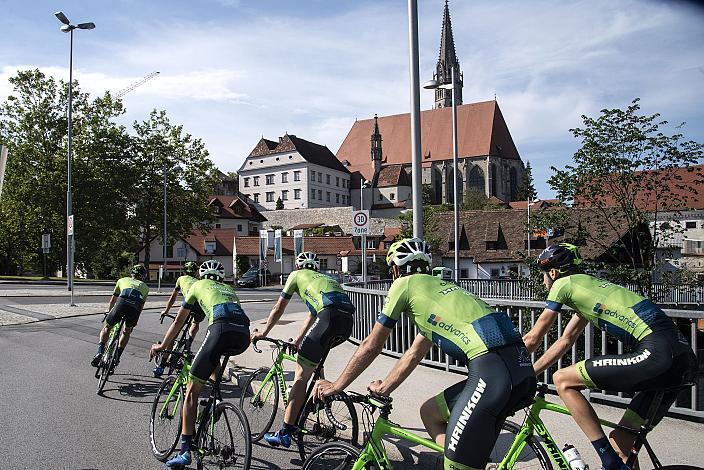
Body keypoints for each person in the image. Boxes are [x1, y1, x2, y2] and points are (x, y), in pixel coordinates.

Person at [315, 238, 536, 470]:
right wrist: (384, 389)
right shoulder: (437, 294)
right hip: (518, 370)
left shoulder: (403, 285)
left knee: (457, 464)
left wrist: (336, 386)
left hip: (492, 374)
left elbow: (371, 345)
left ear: (395, 269)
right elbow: (414, 353)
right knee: (430, 413)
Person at [522, 243, 697, 470]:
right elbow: (565, 341)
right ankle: (615, 460)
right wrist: (530, 374)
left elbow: (533, 339)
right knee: (622, 442)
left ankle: (607, 459)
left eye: (543, 275)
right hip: (682, 360)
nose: (544, 281)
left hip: (657, 354)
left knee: (562, 380)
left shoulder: (563, 283)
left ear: (553, 272)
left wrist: (511, 372)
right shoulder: (590, 288)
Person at [150, 260, 250, 468]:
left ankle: (185, 452)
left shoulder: (196, 285)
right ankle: (215, 401)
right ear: (221, 279)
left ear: (201, 275)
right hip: (243, 335)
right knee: (213, 360)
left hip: (220, 330)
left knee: (191, 391)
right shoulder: (229, 289)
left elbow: (179, 321)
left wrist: (162, 346)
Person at [252, 251, 355, 448]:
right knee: (315, 359)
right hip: (347, 323)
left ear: (298, 267)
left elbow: (278, 308)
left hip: (327, 319)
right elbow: (311, 315)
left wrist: (263, 333)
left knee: (300, 375)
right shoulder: (325, 278)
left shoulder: (296, 275)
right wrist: (298, 340)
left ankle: (285, 432)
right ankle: (319, 397)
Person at [91, 264, 150, 370]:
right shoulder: (145, 287)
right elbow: (141, 307)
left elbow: (113, 300)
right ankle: (117, 356)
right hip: (134, 309)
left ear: (132, 273)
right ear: (143, 276)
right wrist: (135, 320)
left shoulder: (122, 280)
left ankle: (99, 352)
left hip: (121, 304)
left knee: (107, 327)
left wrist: (109, 312)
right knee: (127, 331)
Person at [153, 261, 205, 377]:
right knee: (195, 323)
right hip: (200, 307)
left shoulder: (181, 278)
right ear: (195, 272)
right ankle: (189, 340)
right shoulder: (199, 282)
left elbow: (173, 298)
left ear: (184, 271)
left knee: (174, 332)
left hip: (189, 304)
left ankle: (161, 365)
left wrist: (166, 311)